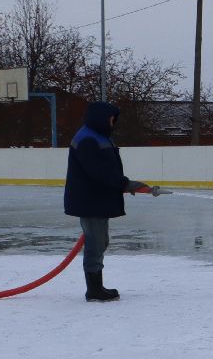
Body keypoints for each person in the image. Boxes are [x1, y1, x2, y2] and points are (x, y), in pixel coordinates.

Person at [63, 100, 161, 302]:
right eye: (111, 118)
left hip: (96, 199)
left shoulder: (98, 136)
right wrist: (126, 184)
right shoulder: (88, 139)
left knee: (100, 242)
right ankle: (94, 290)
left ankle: (97, 286)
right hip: (90, 201)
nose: (113, 123)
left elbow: (106, 172)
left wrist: (125, 185)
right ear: (101, 118)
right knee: (95, 244)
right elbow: (100, 173)